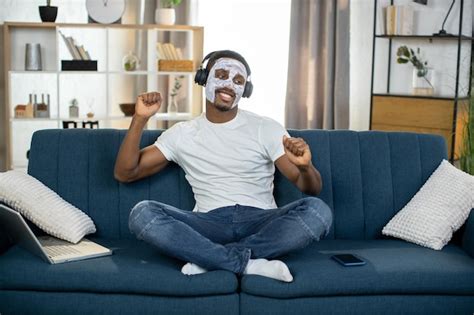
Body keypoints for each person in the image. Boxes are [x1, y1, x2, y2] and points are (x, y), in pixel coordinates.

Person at [114, 50, 333, 282]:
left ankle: (210, 259)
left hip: (260, 222)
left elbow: (311, 188)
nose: (229, 85)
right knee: (142, 214)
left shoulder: (266, 128)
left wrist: (305, 166)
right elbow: (125, 173)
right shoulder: (181, 134)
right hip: (208, 224)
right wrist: (140, 118)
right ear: (203, 78)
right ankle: (247, 264)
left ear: (245, 91)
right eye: (221, 75)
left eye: (238, 81)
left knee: (318, 212)